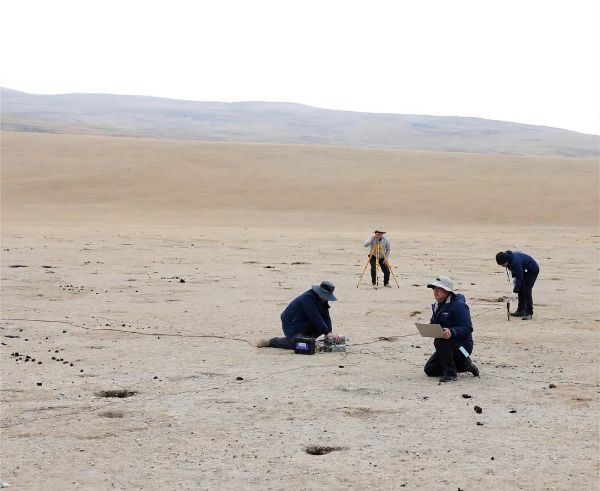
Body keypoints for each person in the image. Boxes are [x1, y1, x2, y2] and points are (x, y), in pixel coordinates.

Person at [423, 276, 479, 382]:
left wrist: (452, 332)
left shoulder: (459, 305)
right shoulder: (437, 305)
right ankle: (464, 365)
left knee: (440, 340)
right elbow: (434, 324)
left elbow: (468, 328)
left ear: (447, 290)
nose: (435, 291)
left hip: (465, 348)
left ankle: (451, 374)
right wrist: (429, 329)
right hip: (450, 347)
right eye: (434, 288)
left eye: (439, 289)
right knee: (430, 370)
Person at [256, 281, 340, 349]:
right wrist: (327, 333)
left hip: (305, 323)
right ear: (319, 292)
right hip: (292, 325)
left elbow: (326, 316)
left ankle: (305, 340)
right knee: (297, 345)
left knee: (309, 341)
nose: (326, 298)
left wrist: (329, 333)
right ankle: (271, 342)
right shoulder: (307, 299)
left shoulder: (323, 299)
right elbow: (315, 317)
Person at [495, 251, 539, 320]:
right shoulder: (508, 258)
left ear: (506, 261)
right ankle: (521, 310)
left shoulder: (516, 262)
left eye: (503, 264)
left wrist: (515, 292)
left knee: (526, 290)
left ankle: (529, 313)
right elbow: (514, 270)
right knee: (520, 288)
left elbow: (520, 278)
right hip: (523, 269)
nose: (502, 266)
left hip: (532, 270)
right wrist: (514, 278)